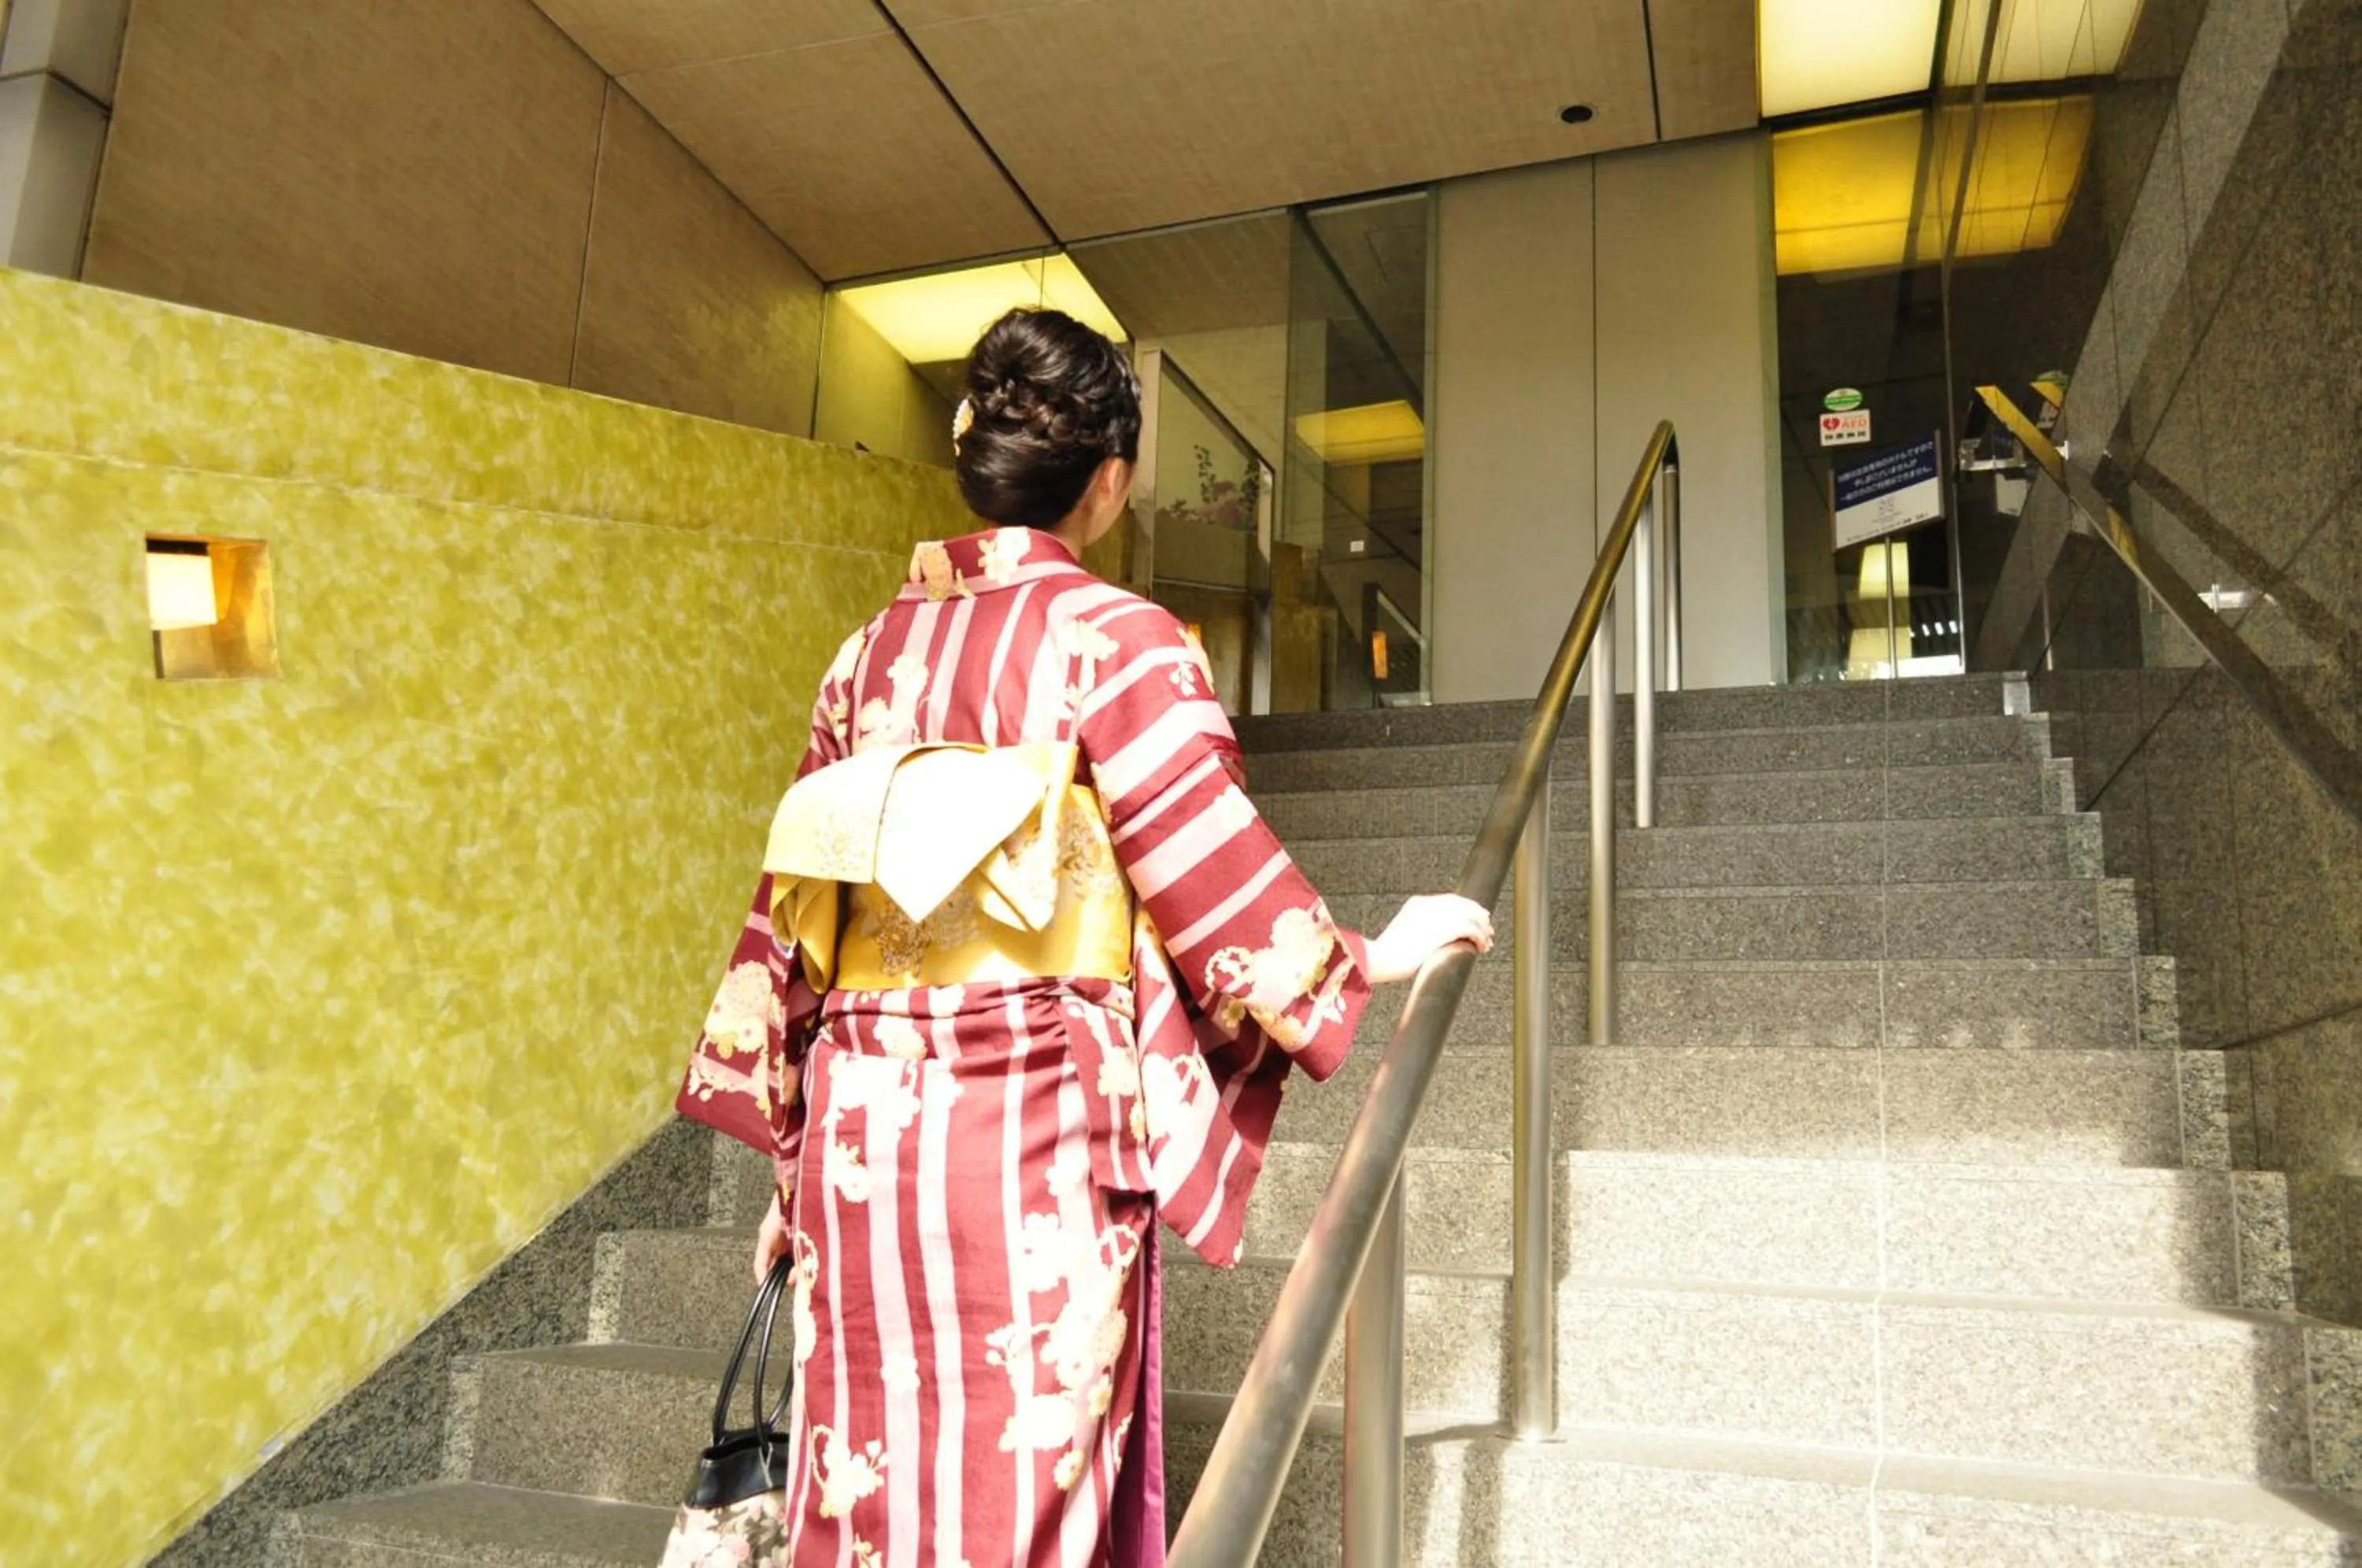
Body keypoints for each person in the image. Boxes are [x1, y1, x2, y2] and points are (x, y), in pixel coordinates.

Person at [674, 307, 1493, 1567]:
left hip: (859, 1137)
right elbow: (1209, 878)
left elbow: (797, 928)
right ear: (1108, 479)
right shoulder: (1117, 642)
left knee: (869, 1484)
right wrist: (1374, 953)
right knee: (1022, 1481)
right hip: (1028, 1126)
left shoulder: (865, 658)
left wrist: (791, 1174)